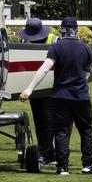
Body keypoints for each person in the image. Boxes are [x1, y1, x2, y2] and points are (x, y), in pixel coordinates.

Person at [19, 15, 92, 175]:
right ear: (76, 30)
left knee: (61, 131)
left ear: (62, 29)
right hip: (80, 96)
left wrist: (30, 88)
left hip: (60, 96)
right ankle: (88, 164)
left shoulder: (56, 48)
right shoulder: (86, 48)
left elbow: (44, 68)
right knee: (86, 130)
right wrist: (84, 81)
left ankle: (62, 166)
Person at [18, 17, 57, 165]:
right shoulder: (24, 43)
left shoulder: (54, 40)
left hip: (49, 87)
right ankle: (47, 151)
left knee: (47, 120)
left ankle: (49, 153)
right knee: (40, 120)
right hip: (33, 87)